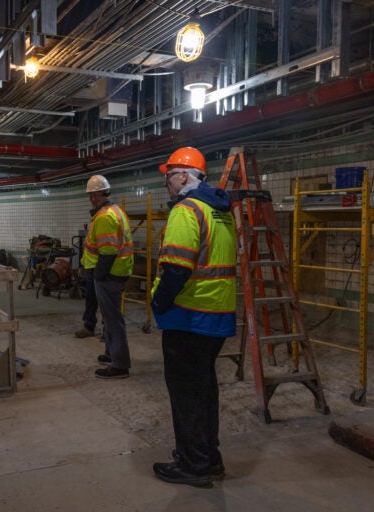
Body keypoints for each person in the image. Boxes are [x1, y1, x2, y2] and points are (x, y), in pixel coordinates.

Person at [150, 147, 237, 488]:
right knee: (203, 391)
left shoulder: (187, 211)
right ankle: (208, 459)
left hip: (188, 316)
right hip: (216, 315)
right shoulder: (220, 211)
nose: (166, 183)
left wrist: (158, 303)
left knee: (186, 394)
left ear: (184, 176)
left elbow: (176, 267)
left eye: (169, 175)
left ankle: (193, 465)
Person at [81, 175, 134, 379]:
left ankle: (120, 364)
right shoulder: (116, 211)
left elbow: (108, 251)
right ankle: (111, 353)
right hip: (119, 272)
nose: (90, 199)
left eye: (90, 195)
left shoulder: (103, 217)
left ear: (94, 196)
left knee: (112, 320)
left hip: (109, 275)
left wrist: (98, 275)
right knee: (110, 317)